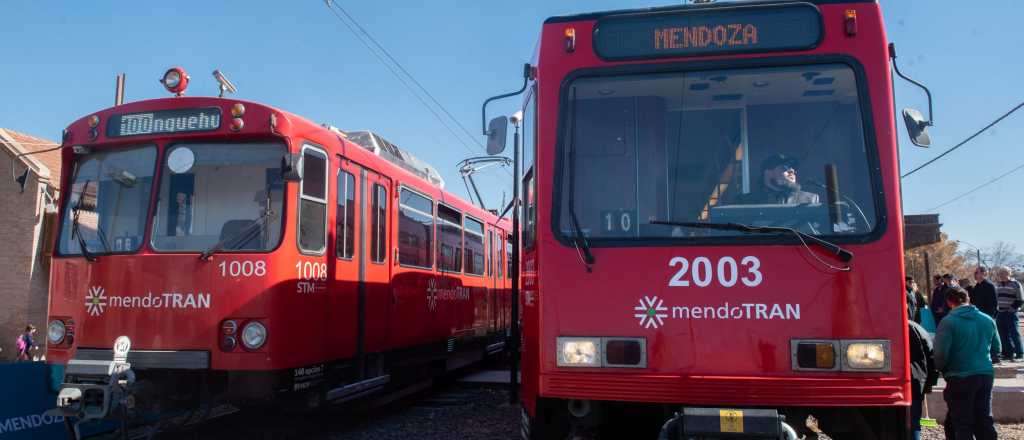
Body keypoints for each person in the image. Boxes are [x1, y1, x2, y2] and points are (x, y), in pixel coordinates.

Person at [935, 287, 1000, 440]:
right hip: (985, 374)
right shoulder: (987, 319)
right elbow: (997, 348)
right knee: (983, 419)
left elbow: (941, 353)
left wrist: (941, 369)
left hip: (959, 376)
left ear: (949, 302)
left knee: (962, 422)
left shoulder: (948, 322)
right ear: (968, 299)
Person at [734, 154, 820, 205]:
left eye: (793, 168)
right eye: (785, 167)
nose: (792, 171)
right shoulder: (746, 201)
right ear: (767, 173)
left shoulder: (810, 199)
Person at [909, 319, 937, 440]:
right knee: (914, 420)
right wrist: (930, 383)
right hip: (917, 379)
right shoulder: (918, 328)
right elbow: (931, 356)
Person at [994, 266, 1024, 361]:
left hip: (1011, 312)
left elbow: (1020, 299)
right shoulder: (998, 284)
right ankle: (1008, 353)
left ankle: (1020, 353)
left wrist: (1012, 309)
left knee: (1014, 333)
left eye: (1004, 273)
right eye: (1001, 273)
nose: (1002, 275)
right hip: (1000, 312)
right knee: (1002, 333)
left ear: (1009, 274)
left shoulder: (1015, 284)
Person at [971, 266, 1000, 363]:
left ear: (984, 273)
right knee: (981, 337)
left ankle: (995, 356)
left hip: (988, 316)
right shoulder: (976, 287)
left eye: (977, 272)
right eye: (975, 273)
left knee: (990, 336)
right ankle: (984, 356)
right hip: (978, 316)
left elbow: (994, 303)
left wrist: (990, 316)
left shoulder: (989, 286)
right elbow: (973, 301)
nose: (975, 274)